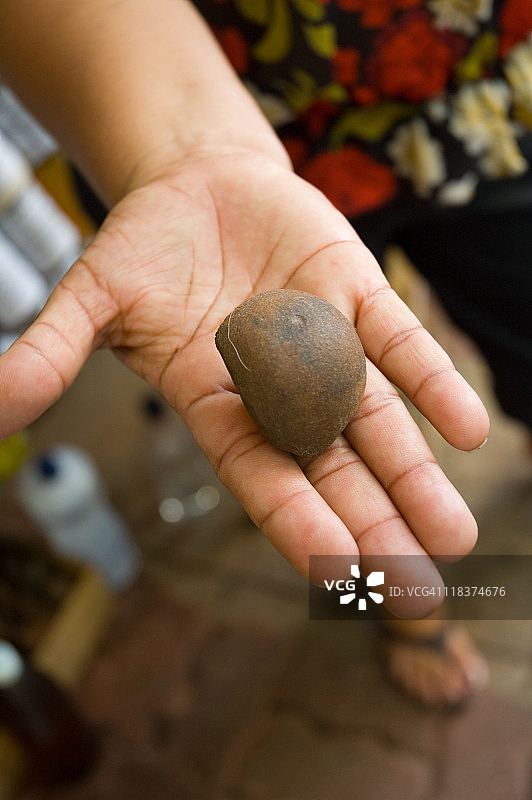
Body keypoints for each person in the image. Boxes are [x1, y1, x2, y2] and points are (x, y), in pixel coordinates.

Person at [1, 0, 520, 707]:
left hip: (479, 87)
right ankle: (405, 608)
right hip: (191, 102)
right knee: (354, 502)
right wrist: (187, 152)